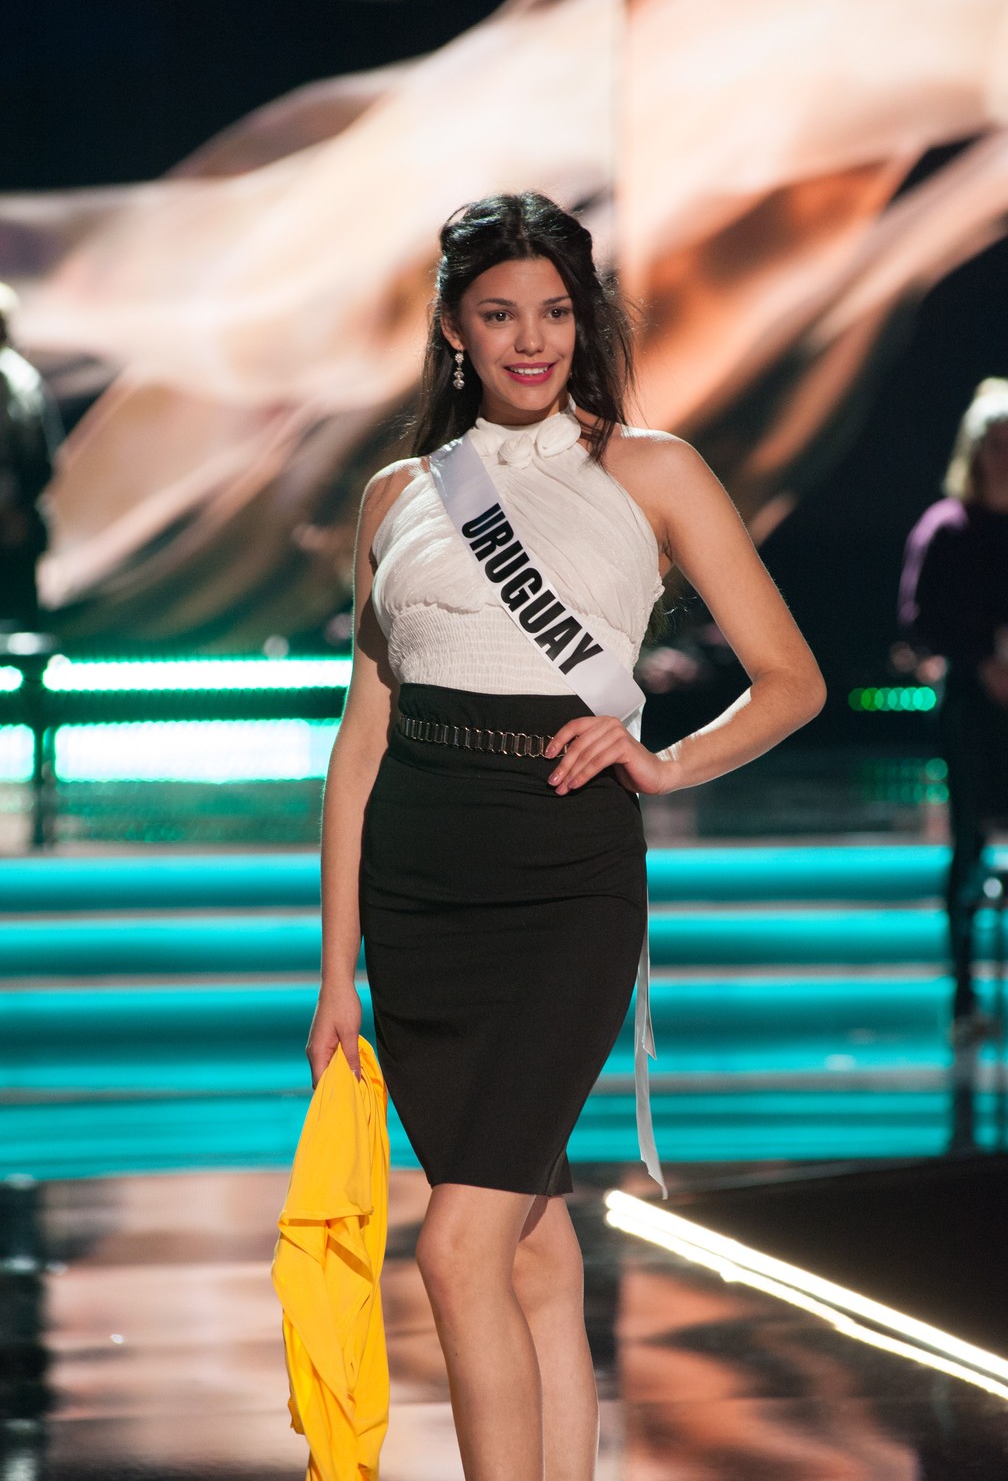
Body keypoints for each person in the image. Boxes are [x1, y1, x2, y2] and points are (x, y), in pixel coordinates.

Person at [305, 192, 825, 1481]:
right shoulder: (397, 496)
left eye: (554, 312)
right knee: (527, 1240)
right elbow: (359, 750)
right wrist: (333, 976)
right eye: (500, 315)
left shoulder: (652, 467)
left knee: (455, 1246)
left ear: (583, 321)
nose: (531, 340)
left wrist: (665, 761)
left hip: (563, 876)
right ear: (452, 328)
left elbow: (791, 680)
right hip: (422, 891)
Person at [899, 379, 1008, 1039]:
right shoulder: (946, 527)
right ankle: (965, 998)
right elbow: (918, 618)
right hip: (973, 703)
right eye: (994, 444)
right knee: (967, 844)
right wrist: (982, 661)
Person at [0, 283, 62, 630]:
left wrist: (16, 511)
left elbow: (37, 461)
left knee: (18, 635)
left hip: (11, 531)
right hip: (15, 528)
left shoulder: (16, 381)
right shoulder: (21, 379)